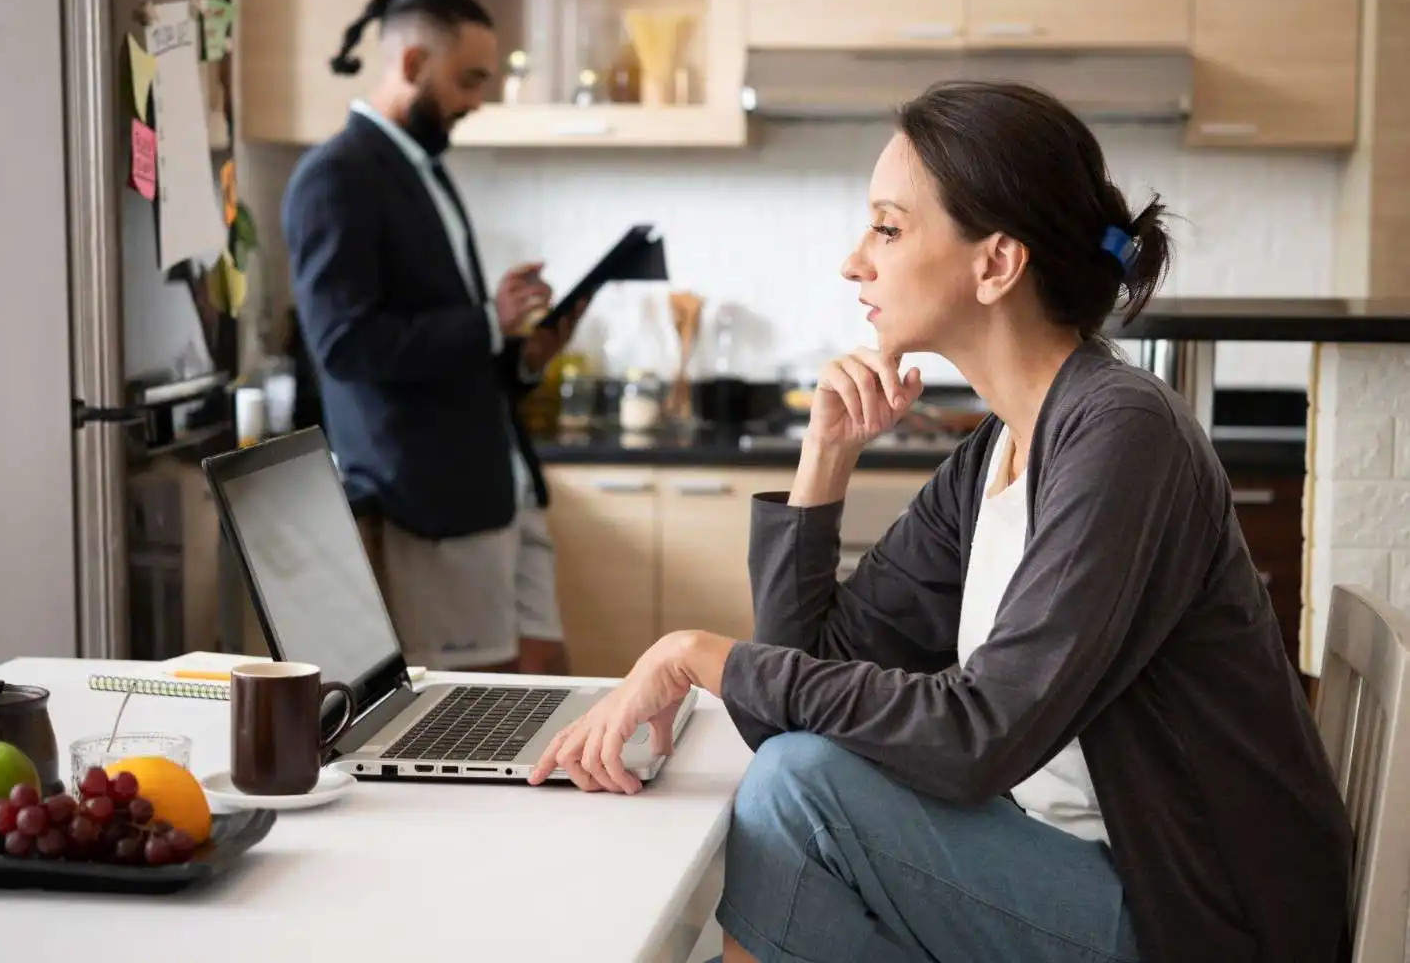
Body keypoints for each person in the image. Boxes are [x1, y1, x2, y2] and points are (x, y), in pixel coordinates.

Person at [528, 80, 1353, 963]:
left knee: (799, 795)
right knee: (793, 782)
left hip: (1193, 915)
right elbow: (801, 697)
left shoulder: (1123, 433)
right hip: (1064, 870)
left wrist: (699, 656)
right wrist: (823, 462)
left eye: (887, 229)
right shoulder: (1000, 445)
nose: (855, 262)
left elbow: (977, 736)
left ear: (995, 265)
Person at [281, 0, 583, 675]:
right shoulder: (336, 177)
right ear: (413, 63)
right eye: (468, 80)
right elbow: (345, 347)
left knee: (550, 687)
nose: (476, 101)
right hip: (429, 503)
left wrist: (521, 353)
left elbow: (442, 344)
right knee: (477, 713)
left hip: (499, 488)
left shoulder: (422, 171)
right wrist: (485, 320)